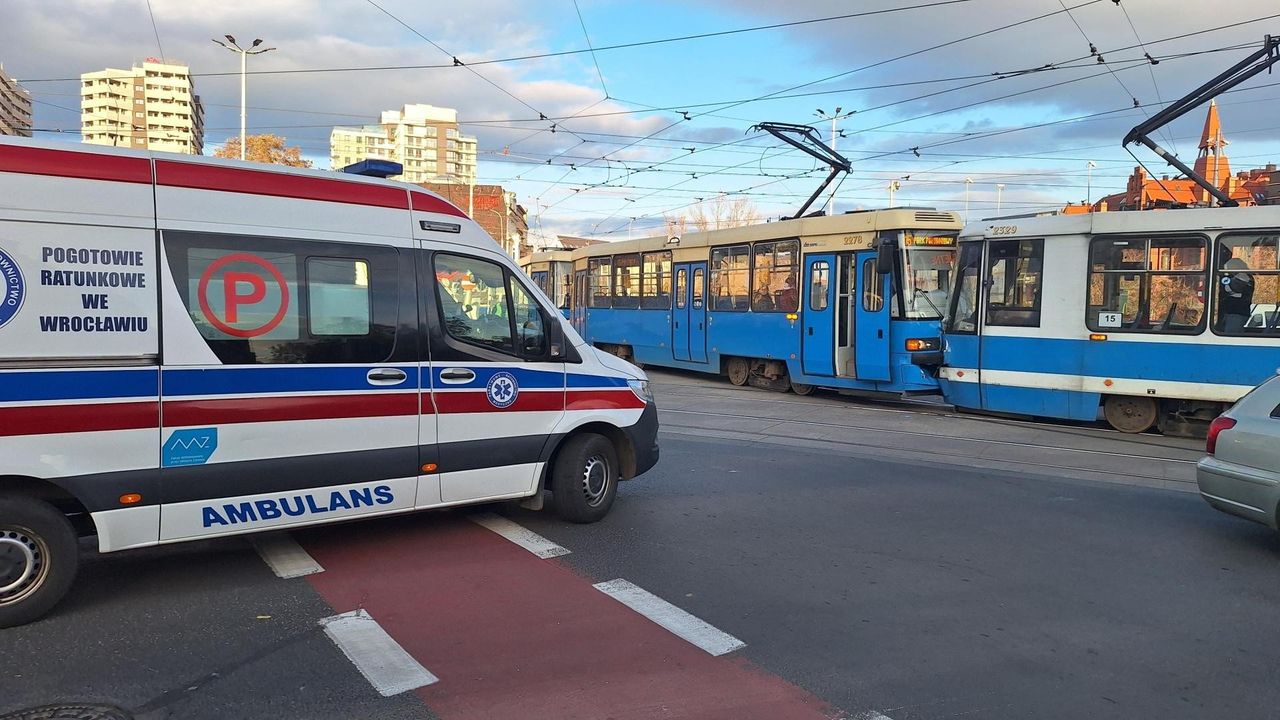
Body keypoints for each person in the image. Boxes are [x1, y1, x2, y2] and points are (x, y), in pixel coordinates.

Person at [1218, 253, 1254, 333]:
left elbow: (1229, 288)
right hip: (1232, 312)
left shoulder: (1244, 277)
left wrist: (1224, 277)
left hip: (1237, 313)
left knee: (1230, 337)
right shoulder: (1242, 277)